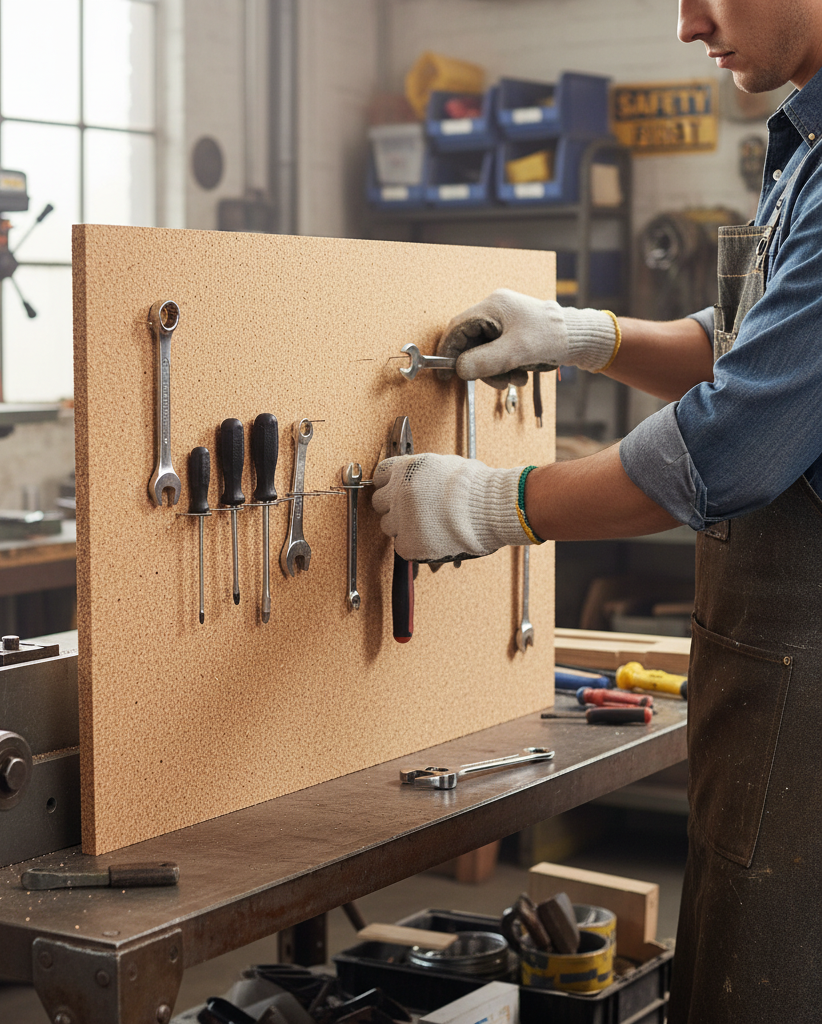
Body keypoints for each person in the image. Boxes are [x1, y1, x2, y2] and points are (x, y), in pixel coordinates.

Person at [371, 1, 822, 1020]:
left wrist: (495, 503)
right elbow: (753, 346)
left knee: (772, 979)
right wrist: (587, 334)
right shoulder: (803, 142)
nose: (686, 24)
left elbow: (740, 436)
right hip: (771, 667)